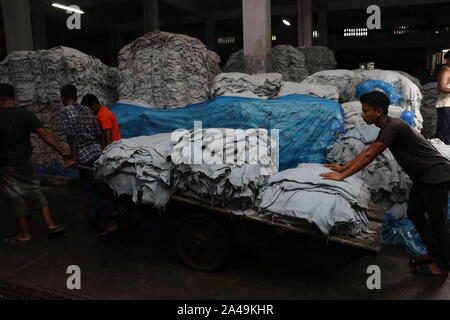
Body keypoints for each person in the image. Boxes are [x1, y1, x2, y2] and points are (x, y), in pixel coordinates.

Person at [321, 91, 450, 277]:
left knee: (439, 223)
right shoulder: (387, 128)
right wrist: (342, 168)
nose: (362, 115)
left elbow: (369, 155)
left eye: (366, 111)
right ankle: (434, 253)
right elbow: (368, 150)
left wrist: (342, 177)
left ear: (379, 112)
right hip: (424, 177)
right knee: (415, 212)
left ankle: (444, 265)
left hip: (436, 176)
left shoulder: (394, 126)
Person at [0, 83, 68, 244]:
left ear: (1, 98)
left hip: (6, 165)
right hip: (26, 161)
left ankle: (24, 233)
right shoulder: (25, 114)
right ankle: (51, 225)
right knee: (35, 190)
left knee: (14, 196)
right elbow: (44, 134)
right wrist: (61, 151)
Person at [59, 85, 117, 238]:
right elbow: (99, 135)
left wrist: (72, 158)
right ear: (77, 97)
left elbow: (72, 139)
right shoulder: (87, 110)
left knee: (91, 190)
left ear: (63, 99)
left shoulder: (65, 112)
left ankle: (107, 222)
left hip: (84, 157)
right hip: (97, 152)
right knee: (100, 186)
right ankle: (105, 215)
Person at [435, 51, 450, 144]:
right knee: (444, 133)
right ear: (447, 60)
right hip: (445, 106)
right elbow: (441, 88)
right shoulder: (445, 71)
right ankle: (441, 155)